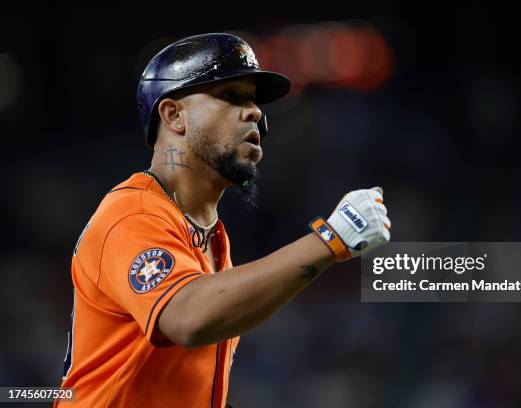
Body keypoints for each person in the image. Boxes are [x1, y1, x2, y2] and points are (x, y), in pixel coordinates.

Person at [55, 33, 391, 408]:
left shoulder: (210, 236)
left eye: (252, 100)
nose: (255, 112)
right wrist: (330, 240)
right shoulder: (134, 213)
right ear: (173, 115)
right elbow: (188, 317)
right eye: (231, 95)